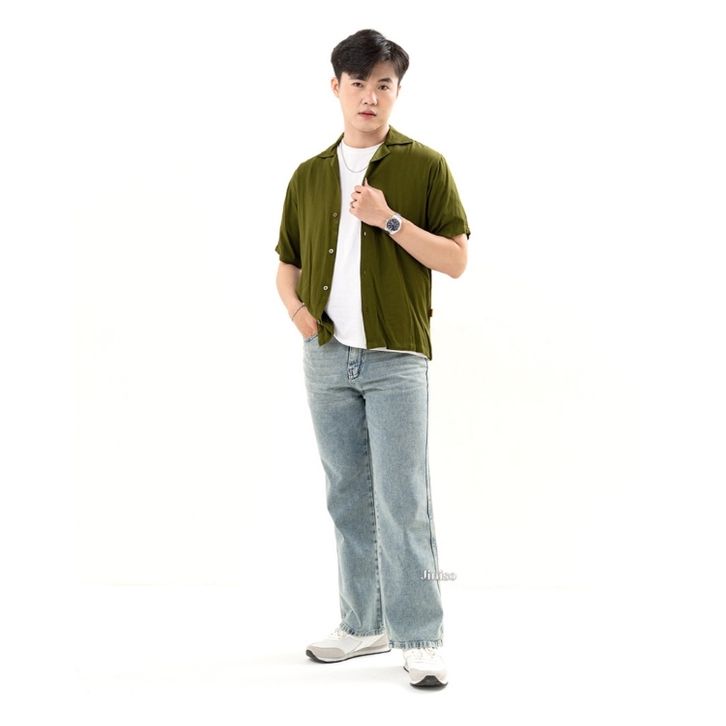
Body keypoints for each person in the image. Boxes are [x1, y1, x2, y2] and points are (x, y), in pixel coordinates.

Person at [274, 28, 471, 688]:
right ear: (336, 87)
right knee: (347, 498)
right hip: (327, 358)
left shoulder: (426, 166)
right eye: (357, 83)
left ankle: (422, 635)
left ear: (397, 92)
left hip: (395, 359)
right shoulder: (308, 175)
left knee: (403, 501)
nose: (369, 96)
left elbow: (456, 260)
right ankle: (365, 624)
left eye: (383, 84)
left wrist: (387, 219)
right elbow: (287, 263)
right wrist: (301, 317)